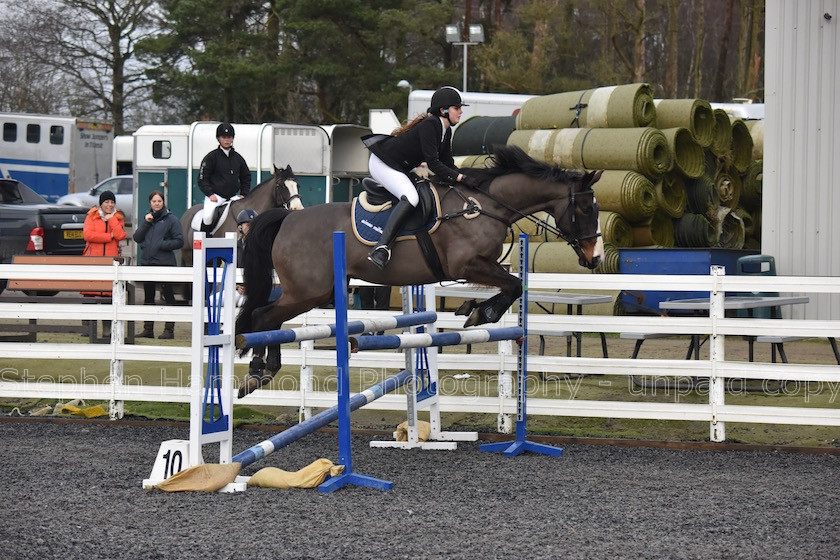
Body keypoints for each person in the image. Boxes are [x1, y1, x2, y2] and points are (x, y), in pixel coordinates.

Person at [363, 85, 480, 269]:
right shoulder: (430, 125)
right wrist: (460, 178)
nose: (460, 112)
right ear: (444, 110)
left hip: (399, 166)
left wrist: (466, 177)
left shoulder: (445, 130)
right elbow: (433, 164)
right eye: (457, 108)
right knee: (411, 197)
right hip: (383, 163)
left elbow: (448, 163)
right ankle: (381, 248)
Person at [133, 190, 184, 339]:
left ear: (163, 202)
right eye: (154, 201)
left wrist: (161, 244)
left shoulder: (171, 220)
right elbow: (137, 237)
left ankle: (169, 330)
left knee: (168, 296)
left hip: (165, 264)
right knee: (148, 297)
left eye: (159, 201)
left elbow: (179, 241)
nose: (156, 204)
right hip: (148, 263)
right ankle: (148, 329)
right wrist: (146, 223)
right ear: (150, 203)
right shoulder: (147, 219)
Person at [82, 189, 127, 337]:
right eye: (107, 202)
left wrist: (111, 219)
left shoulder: (118, 217)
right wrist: (109, 236)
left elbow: (120, 235)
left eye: (112, 202)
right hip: (93, 261)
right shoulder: (91, 216)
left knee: (108, 295)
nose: (110, 205)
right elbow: (88, 235)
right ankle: (87, 328)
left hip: (110, 261)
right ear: (101, 203)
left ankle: (107, 330)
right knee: (90, 294)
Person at [197, 122, 251, 233]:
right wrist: (210, 193)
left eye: (229, 137)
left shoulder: (238, 158)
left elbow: (246, 177)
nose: (226, 140)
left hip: (233, 197)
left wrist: (244, 194)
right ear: (219, 139)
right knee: (207, 217)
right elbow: (202, 178)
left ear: (232, 139)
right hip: (216, 196)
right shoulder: (211, 157)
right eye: (224, 137)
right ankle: (204, 238)